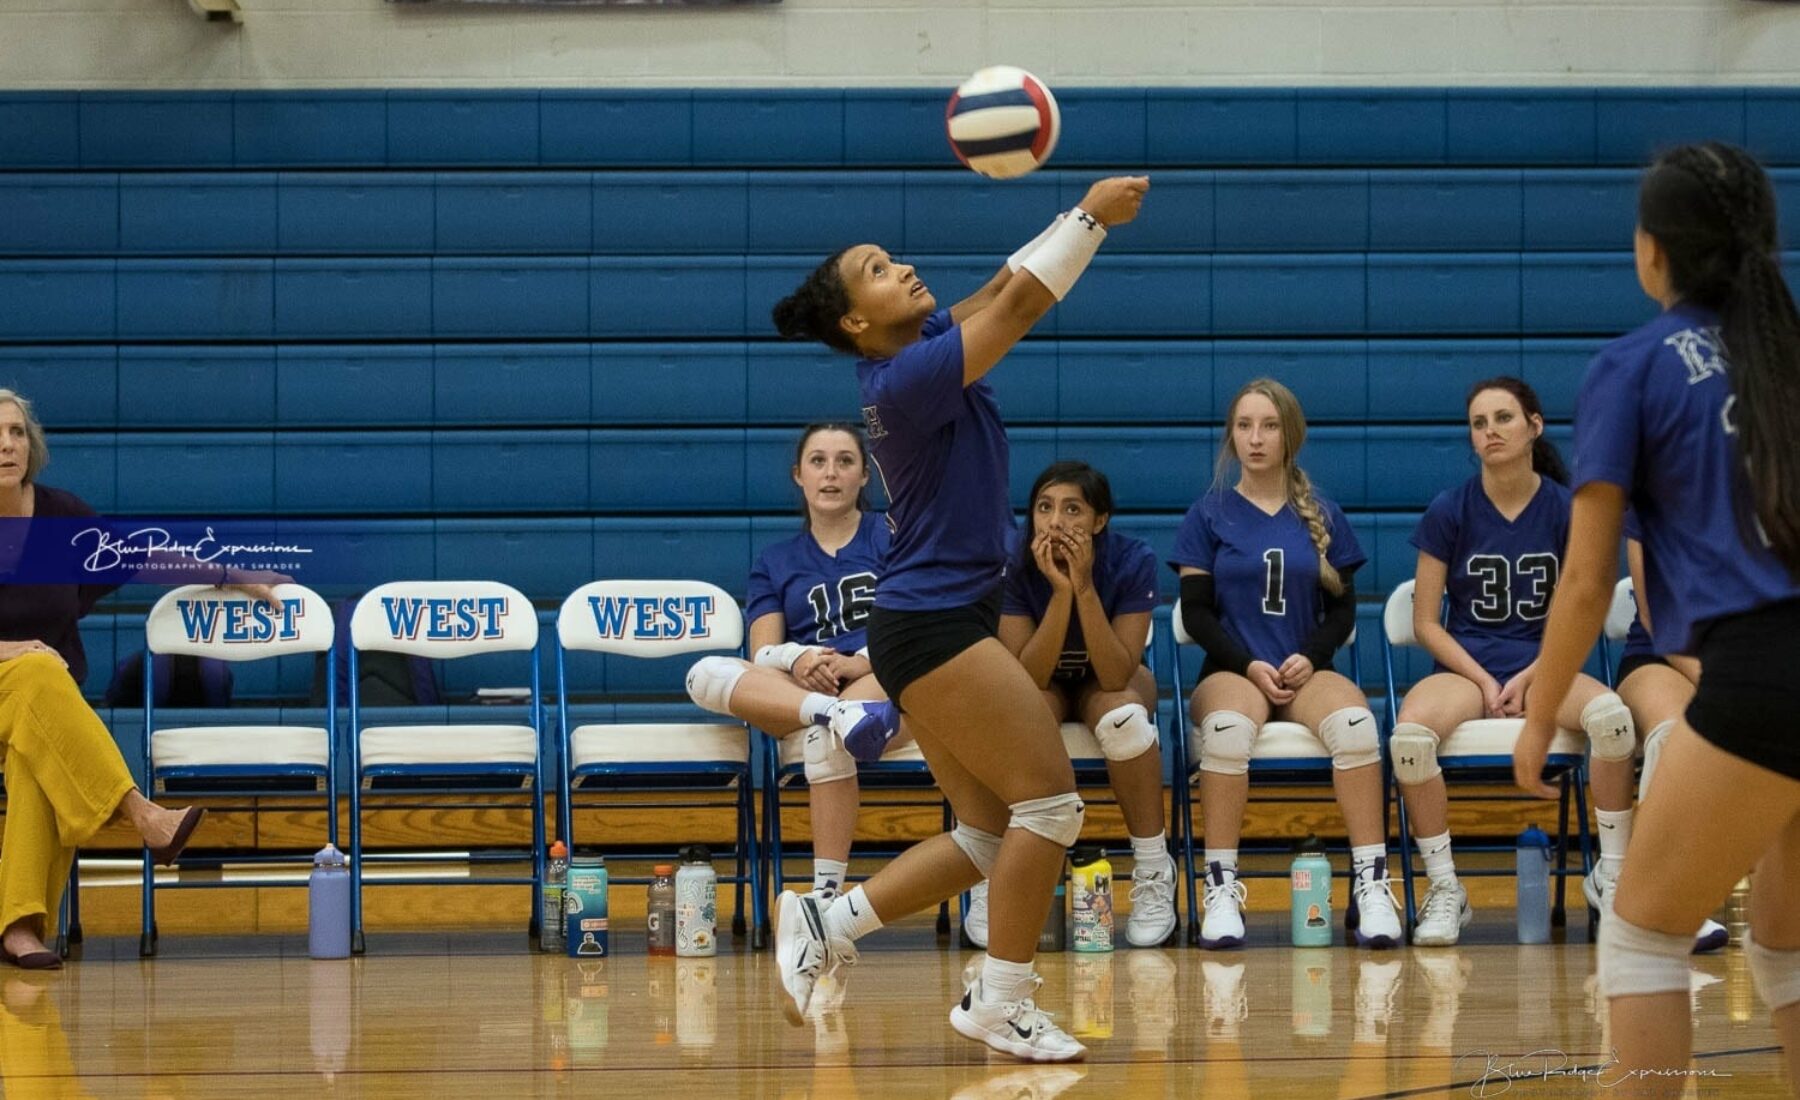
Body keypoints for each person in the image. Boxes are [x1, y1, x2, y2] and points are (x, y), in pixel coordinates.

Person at [766, 175, 1149, 1063]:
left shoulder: (924, 344)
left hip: (929, 619)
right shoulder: (904, 381)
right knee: (1051, 805)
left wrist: (1065, 222)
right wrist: (1091, 218)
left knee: (985, 831)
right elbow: (1019, 305)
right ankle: (999, 1001)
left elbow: (996, 289)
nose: (901, 266)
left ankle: (827, 924)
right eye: (877, 269)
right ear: (856, 322)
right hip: (934, 626)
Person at [1514, 142, 1800, 1092]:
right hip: (1772, 672)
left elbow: (1588, 580)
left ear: (1652, 252)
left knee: (1641, 935)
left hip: (1765, 670)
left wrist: (1538, 709)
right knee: (1788, 937)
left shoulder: (1633, 367)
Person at [0, 389, 273, 969]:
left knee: (36, 747)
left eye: (17, 432)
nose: (7, 445)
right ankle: (143, 814)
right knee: (37, 672)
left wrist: (231, 574)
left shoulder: (60, 516)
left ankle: (19, 929)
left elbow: (141, 557)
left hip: (42, 707)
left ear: (32, 443)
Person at [1389, 377, 1636, 947]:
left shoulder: (1568, 508)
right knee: (1409, 740)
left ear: (1534, 426)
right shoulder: (1450, 509)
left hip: (1548, 662)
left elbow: (1589, 602)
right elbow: (1426, 620)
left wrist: (1534, 676)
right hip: (1466, 669)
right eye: (1479, 423)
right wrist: (1480, 677)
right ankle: (1446, 888)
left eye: (1503, 418)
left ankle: (1613, 874)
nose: (1491, 431)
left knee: (1614, 721)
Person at [1173, 377, 1401, 951]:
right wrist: (1249, 664)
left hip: (1304, 670)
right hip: (1232, 671)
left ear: (1289, 435)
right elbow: (1197, 615)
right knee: (1226, 732)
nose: (1255, 438)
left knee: (1357, 725)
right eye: (1245, 425)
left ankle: (1372, 885)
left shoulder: (1322, 511)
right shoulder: (1209, 513)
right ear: (1231, 435)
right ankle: (1221, 888)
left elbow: (1344, 608)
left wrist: (1312, 657)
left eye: (1269, 426)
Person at [684, 422, 899, 901]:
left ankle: (825, 898)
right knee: (704, 675)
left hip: (882, 676)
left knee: (826, 740)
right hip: (806, 692)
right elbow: (763, 653)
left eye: (845, 461)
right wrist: (798, 658)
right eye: (817, 461)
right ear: (798, 475)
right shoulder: (776, 560)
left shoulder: (890, 538)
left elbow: (921, 622)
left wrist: (859, 662)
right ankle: (832, 713)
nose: (831, 473)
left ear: (865, 476)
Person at [975, 460, 1174, 948]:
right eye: (1044, 508)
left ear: (1099, 521)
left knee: (1126, 719)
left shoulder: (1132, 559)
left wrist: (1083, 586)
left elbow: (1114, 671)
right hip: (1043, 682)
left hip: (1105, 680)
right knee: (1016, 713)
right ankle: (991, 873)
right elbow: (1030, 674)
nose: (1056, 522)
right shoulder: (1013, 564)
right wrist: (1060, 592)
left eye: (1072, 509)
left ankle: (1152, 871)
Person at [1614, 521, 1728, 953]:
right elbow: (1655, 616)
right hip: (1663, 655)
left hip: (1749, 656)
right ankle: (1664, 900)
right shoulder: (1653, 501)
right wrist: (1719, 681)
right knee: (1674, 732)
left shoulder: (1771, 490)